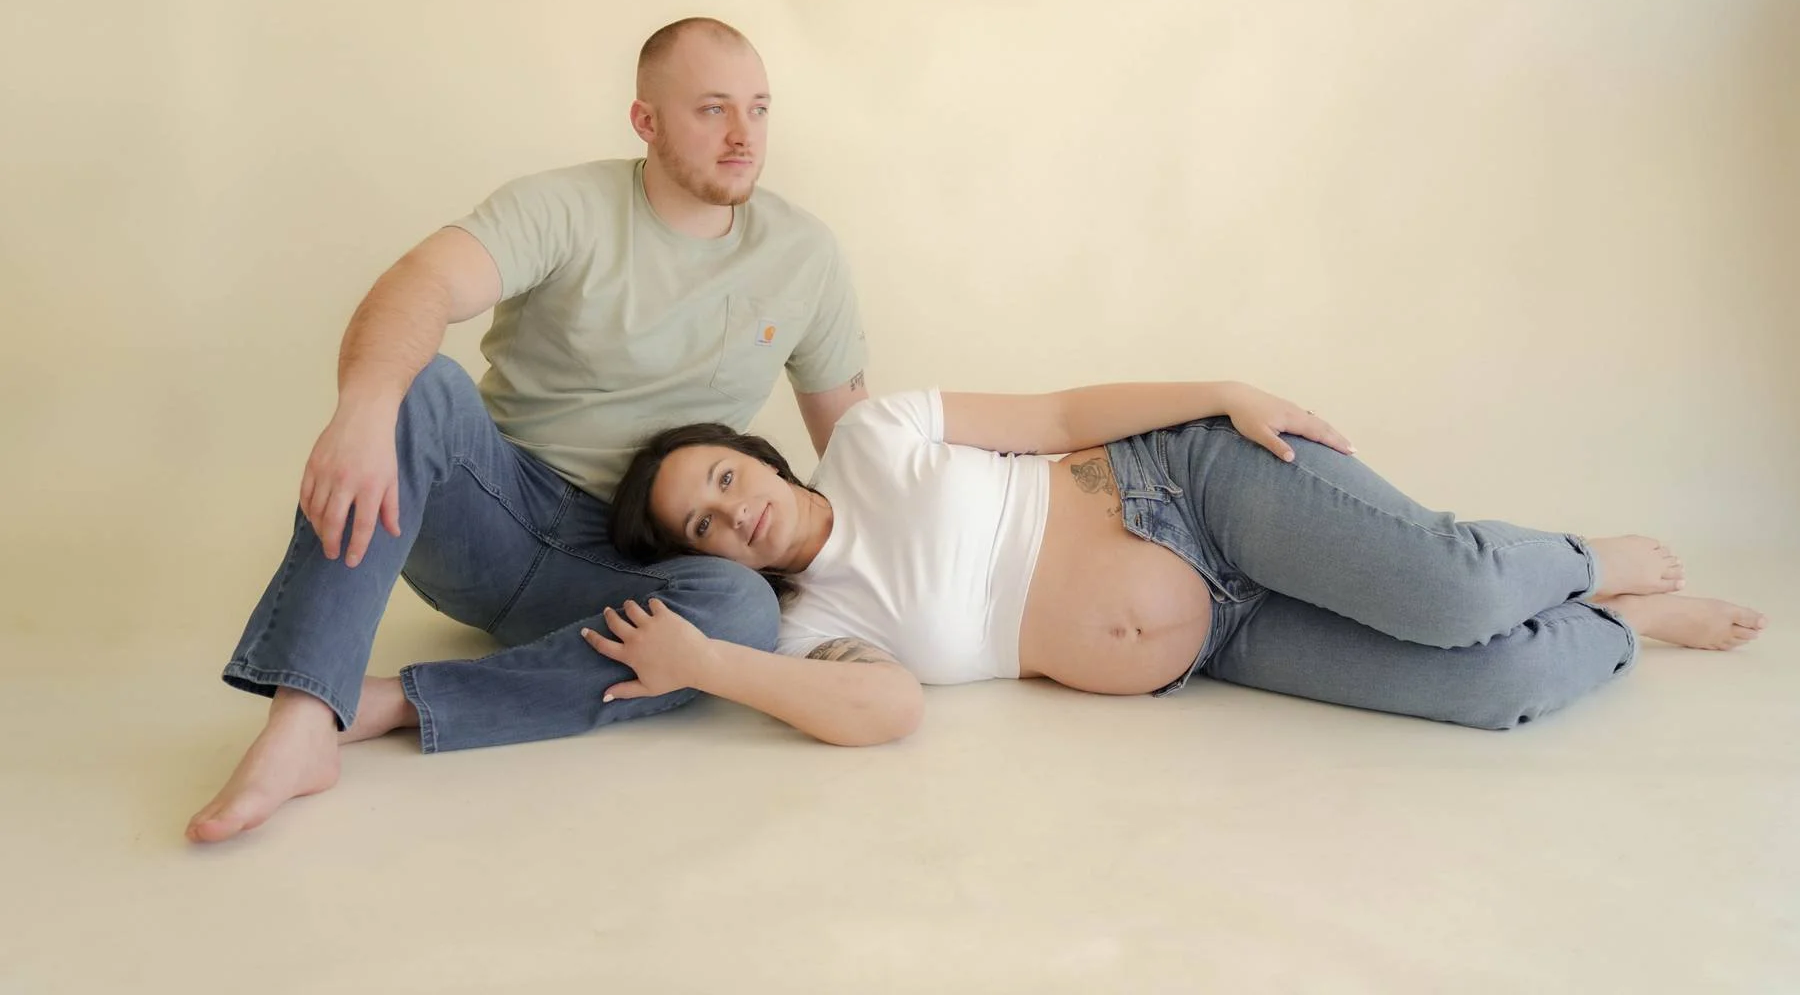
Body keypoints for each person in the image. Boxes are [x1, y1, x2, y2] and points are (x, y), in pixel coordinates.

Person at [186, 18, 870, 842]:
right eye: (712, 110)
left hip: (636, 560)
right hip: (494, 512)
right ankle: (300, 720)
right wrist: (364, 410)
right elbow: (422, 282)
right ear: (645, 122)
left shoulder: (806, 256)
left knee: (739, 609)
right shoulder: (566, 206)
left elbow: (858, 448)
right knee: (422, 385)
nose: (741, 137)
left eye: (758, 110)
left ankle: (387, 704)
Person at [593, 383, 1767, 745]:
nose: (728, 516)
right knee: (1491, 686)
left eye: (724, 480)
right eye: (698, 526)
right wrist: (708, 660)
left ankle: (1577, 558)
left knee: (1454, 594)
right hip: (1219, 644)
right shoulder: (807, 632)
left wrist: (1218, 392)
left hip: (1194, 493)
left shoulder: (873, 438)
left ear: (756, 458)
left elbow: (1058, 413)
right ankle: (1625, 624)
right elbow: (889, 709)